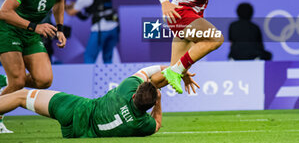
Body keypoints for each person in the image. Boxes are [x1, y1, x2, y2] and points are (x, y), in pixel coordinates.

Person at [0, 64, 199, 138]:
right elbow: (157, 124)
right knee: (22, 96)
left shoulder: (125, 90)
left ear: (133, 95)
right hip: (78, 134)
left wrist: (176, 70)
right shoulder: (142, 125)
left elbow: (148, 71)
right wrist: (158, 102)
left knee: (21, 96)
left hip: (75, 109)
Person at [0, 0, 67, 133]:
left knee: (44, 80)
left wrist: (59, 28)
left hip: (30, 32)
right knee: (19, 82)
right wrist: (34, 26)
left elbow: (60, 0)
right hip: (8, 30)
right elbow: (4, 12)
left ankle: (5, 81)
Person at [65, 0, 118, 64]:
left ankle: (88, 78)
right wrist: (75, 5)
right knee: (107, 58)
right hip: (114, 29)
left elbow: (71, 12)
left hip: (100, 29)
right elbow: (94, 8)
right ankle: (109, 78)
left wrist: (62, 6)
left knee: (89, 57)